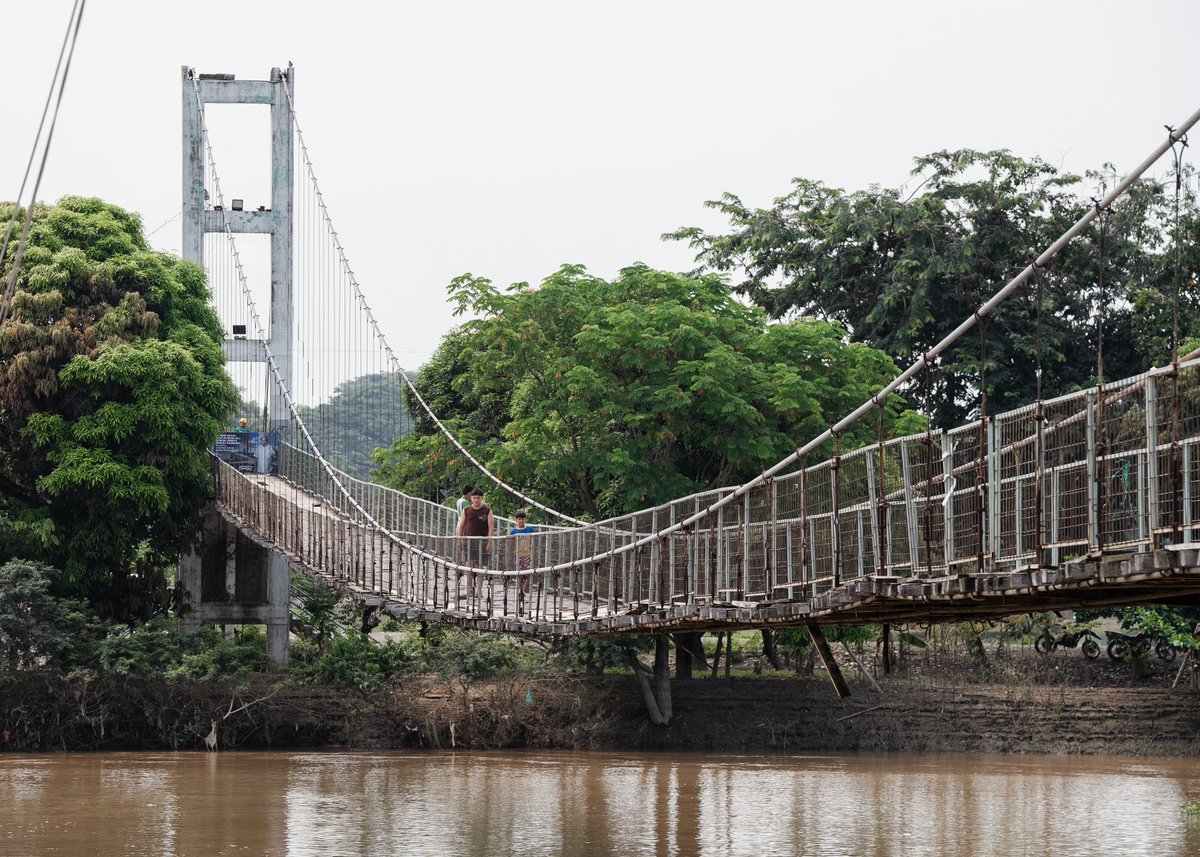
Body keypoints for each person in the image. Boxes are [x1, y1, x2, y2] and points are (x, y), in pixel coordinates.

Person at [456, 489, 494, 594]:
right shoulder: (466, 510)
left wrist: (489, 542)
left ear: (482, 498)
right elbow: (461, 525)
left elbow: (491, 527)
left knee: (480, 567)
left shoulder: (487, 510)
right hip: (468, 542)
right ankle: (469, 588)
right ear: (471, 498)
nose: (476, 500)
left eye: (478, 498)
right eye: (474, 498)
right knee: (468, 565)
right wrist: (459, 539)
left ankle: (479, 589)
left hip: (482, 543)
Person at [509, 511, 535, 595]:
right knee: (519, 573)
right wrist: (511, 554)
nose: (521, 521)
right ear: (516, 520)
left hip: (527, 554)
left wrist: (535, 552)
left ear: (525, 520)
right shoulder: (514, 531)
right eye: (519, 519)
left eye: (522, 519)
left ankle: (526, 584)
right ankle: (520, 589)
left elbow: (534, 542)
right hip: (518, 554)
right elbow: (512, 544)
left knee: (528, 571)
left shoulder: (530, 529)